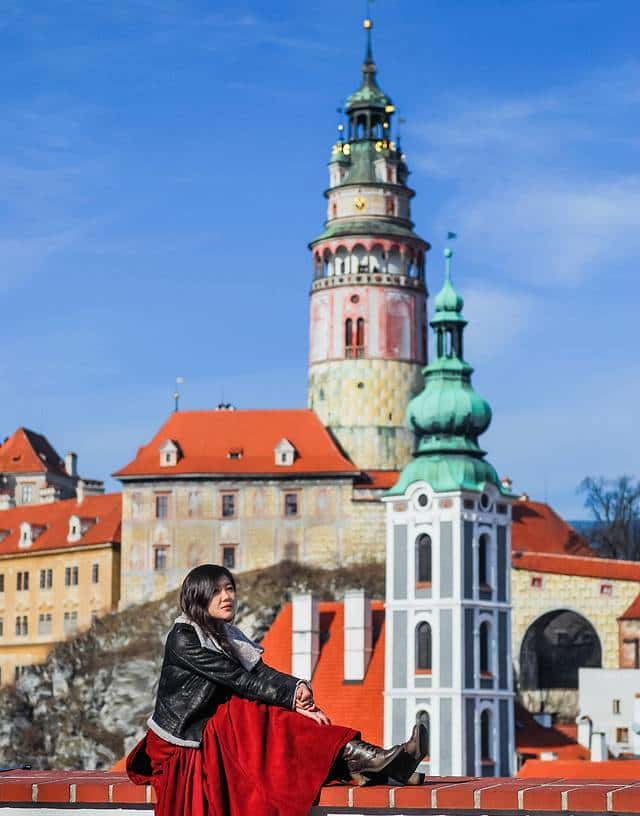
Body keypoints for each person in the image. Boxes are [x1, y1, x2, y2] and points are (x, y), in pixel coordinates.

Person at [127, 564, 427, 816]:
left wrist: (298, 692)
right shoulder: (184, 638)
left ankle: (376, 761)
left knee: (253, 712)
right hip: (182, 739)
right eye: (217, 590)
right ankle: (372, 761)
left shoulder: (227, 633)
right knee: (246, 709)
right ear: (198, 596)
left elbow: (260, 672)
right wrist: (292, 700)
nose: (227, 596)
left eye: (229, 588)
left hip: (210, 728)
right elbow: (239, 680)